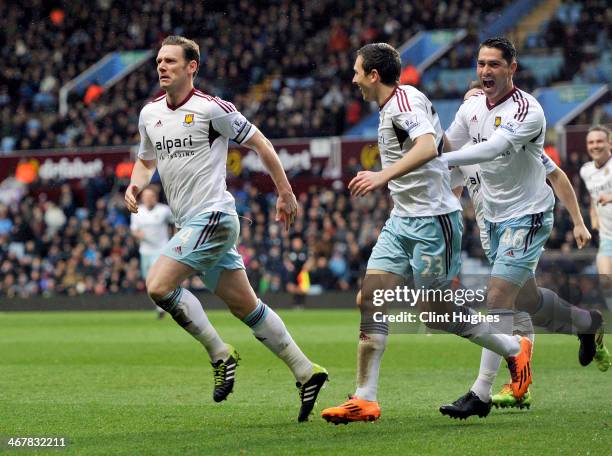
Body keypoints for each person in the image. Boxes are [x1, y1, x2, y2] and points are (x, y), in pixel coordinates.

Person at [321, 43, 532, 425]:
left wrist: (382, 176)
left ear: (373, 75)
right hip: (403, 219)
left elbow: (426, 147)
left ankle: (511, 348)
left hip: (434, 222)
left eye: (357, 72)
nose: (353, 80)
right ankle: (365, 398)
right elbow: (443, 143)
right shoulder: (404, 101)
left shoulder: (401, 107)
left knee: (434, 314)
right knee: (370, 298)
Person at [124, 35, 327, 422]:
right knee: (245, 306)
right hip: (191, 224)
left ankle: (219, 353)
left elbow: (261, 144)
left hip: (214, 217)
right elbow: (145, 160)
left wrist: (285, 193)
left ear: (191, 67)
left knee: (158, 286)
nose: (162, 67)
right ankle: (306, 370)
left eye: (170, 61)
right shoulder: (150, 113)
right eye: (158, 61)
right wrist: (135, 185)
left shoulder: (212, 109)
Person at [439, 37, 608, 419]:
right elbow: (450, 150)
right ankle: (587, 323)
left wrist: (580, 222)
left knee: (497, 297)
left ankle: (480, 393)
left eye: (494, 64)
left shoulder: (527, 110)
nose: (485, 71)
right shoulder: (470, 109)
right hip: (493, 222)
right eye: (481, 64)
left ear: (511, 68)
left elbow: (490, 150)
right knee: (526, 301)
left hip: (529, 215)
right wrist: (420, 151)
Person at [130, 185, 173, 318]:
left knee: (157, 280)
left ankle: (162, 307)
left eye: (150, 196)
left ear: (155, 197)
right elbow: (133, 230)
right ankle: (162, 304)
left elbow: (176, 223)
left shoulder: (164, 210)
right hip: (145, 251)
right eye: (145, 197)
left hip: (161, 250)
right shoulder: (137, 211)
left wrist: (176, 240)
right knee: (148, 281)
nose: (148, 199)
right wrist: (138, 235)